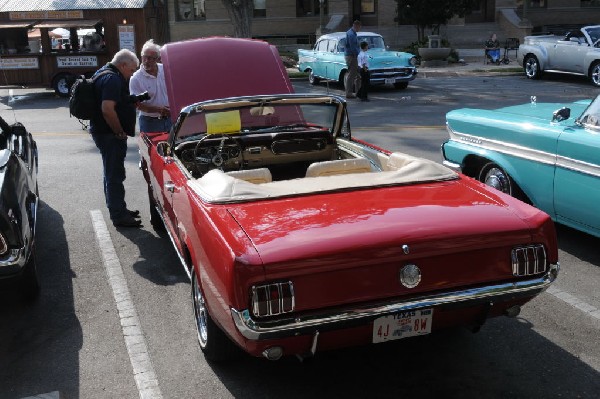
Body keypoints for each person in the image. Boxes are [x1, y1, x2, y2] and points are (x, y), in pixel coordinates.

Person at [90, 49, 142, 228]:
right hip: (109, 134)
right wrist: (118, 131)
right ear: (123, 65)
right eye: (132, 69)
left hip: (102, 132)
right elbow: (107, 108)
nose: (132, 74)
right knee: (114, 174)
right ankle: (119, 215)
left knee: (111, 173)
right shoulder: (112, 78)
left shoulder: (102, 73)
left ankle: (119, 208)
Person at [129, 39, 172, 133]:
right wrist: (158, 110)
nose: (146, 61)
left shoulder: (166, 70)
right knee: (152, 148)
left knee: (172, 147)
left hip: (170, 118)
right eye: (144, 57)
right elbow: (137, 105)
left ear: (157, 59)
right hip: (150, 122)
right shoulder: (136, 78)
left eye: (151, 58)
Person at [344, 20, 362, 99]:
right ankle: (349, 93)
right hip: (352, 56)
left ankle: (358, 92)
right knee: (352, 74)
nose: (359, 29)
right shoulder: (351, 34)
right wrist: (358, 53)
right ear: (356, 26)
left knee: (357, 75)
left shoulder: (351, 33)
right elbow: (353, 47)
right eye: (359, 27)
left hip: (351, 55)